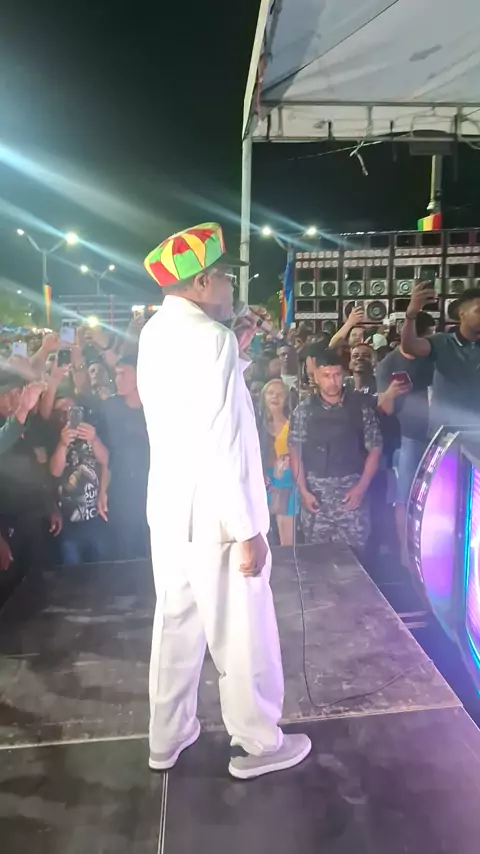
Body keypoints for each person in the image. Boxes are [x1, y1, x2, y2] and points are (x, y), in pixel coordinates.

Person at [138, 222, 311, 780]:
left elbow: (189, 404)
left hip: (172, 510)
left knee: (176, 623)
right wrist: (247, 529)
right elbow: (222, 439)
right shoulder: (209, 339)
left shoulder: (155, 332)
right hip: (217, 514)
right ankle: (260, 742)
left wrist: (235, 349)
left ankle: (166, 736)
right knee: (242, 631)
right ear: (202, 281)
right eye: (225, 278)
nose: (232, 287)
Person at [289, 348, 382, 553]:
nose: (333, 381)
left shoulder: (360, 407)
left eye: (337, 374)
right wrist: (303, 491)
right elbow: (295, 452)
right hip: (317, 496)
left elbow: (375, 448)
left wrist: (361, 487)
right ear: (316, 377)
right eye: (326, 375)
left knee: (356, 560)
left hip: (351, 495)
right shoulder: (304, 410)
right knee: (317, 559)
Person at [377, 311, 435, 565]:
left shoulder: (433, 359)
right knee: (405, 495)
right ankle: (405, 552)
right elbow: (385, 409)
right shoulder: (388, 363)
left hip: (440, 434)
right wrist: (391, 392)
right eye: (429, 336)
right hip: (410, 436)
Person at [401, 284, 480, 433]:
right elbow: (409, 346)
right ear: (462, 313)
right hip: (447, 435)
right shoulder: (442, 342)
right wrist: (411, 315)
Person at [97, 354, 150, 560]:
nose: (118, 379)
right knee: (124, 550)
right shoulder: (110, 408)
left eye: (124, 374)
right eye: (116, 374)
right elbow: (107, 454)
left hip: (151, 488)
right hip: (121, 489)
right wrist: (103, 490)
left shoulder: (155, 407)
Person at [49, 399, 109, 565]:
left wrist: (94, 439)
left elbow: (105, 459)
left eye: (72, 409)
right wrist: (63, 444)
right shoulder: (54, 436)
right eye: (63, 411)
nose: (68, 414)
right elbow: (55, 471)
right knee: (73, 570)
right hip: (69, 519)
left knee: (103, 568)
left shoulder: (90, 431)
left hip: (95, 515)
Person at [259, 379, 296, 546]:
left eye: (280, 394)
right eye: (271, 393)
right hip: (261, 483)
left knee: (286, 539)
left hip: (286, 484)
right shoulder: (255, 423)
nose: (275, 397)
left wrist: (289, 458)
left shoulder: (293, 424)